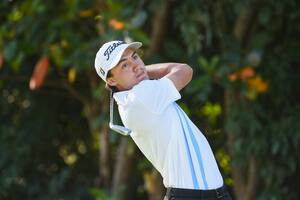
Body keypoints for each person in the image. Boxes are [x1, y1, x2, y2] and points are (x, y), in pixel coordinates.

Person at [94, 40, 232, 200]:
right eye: (124, 65)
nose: (136, 66)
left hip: (212, 194)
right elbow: (184, 70)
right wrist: (143, 70)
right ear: (111, 81)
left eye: (135, 57)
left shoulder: (134, 99)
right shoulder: (141, 96)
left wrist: (140, 70)